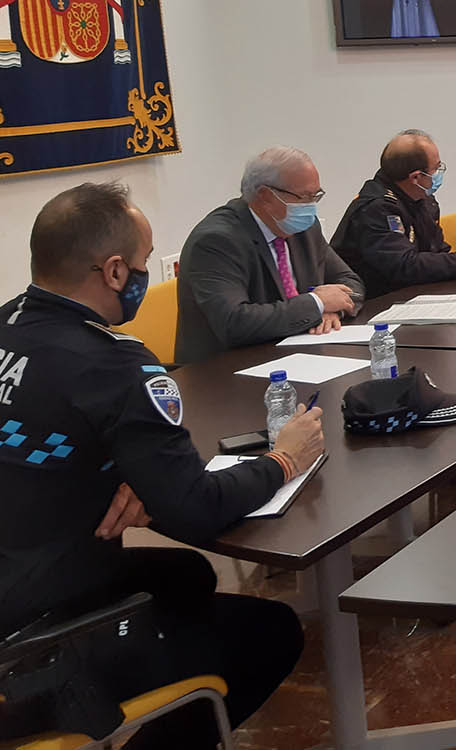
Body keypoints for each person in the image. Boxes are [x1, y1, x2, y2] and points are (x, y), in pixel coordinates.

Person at [0, 183, 325, 747]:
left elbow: (41, 438)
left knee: (187, 577)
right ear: (115, 272)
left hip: (18, 564)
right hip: (31, 632)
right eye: (148, 263)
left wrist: (113, 469)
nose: (149, 278)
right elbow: (196, 510)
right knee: (270, 633)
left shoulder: (8, 324)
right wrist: (283, 458)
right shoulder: (115, 367)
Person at [176, 146, 365, 364]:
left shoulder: (304, 228)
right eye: (304, 197)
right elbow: (234, 323)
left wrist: (332, 311)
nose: (311, 206)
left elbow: (351, 282)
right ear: (265, 196)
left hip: (298, 355)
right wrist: (317, 304)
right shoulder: (217, 241)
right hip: (224, 372)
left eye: (316, 196)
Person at [330, 129, 456, 299]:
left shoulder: (422, 199)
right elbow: (405, 266)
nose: (439, 174)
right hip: (375, 306)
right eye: (436, 168)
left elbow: (437, 252)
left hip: (417, 295)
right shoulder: (377, 208)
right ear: (416, 177)